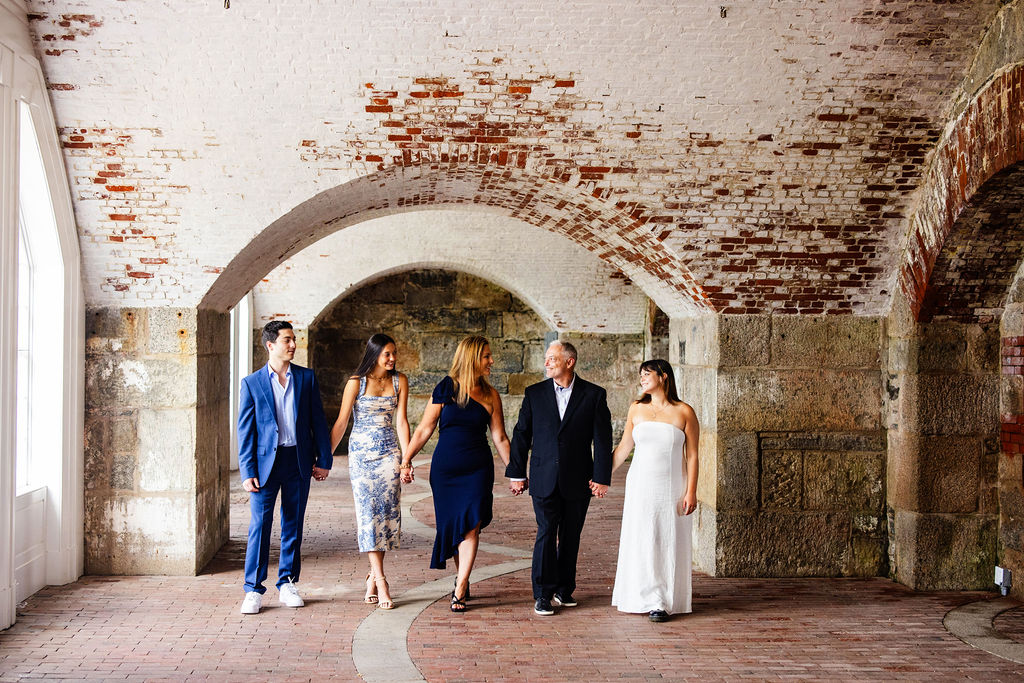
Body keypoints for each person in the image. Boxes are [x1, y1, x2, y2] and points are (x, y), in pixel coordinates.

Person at [401, 336, 511, 613]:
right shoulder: (446, 388)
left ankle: (460, 586)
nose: (491, 361)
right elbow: (425, 429)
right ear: (472, 357)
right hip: (446, 470)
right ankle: (463, 575)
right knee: (453, 528)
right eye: (486, 356)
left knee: (471, 524)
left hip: (477, 469)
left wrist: (515, 471)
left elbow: (499, 437)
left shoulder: (490, 395)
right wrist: (407, 459)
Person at [506, 340, 613, 616]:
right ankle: (542, 594)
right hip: (543, 476)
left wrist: (602, 477)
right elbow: (521, 435)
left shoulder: (594, 395)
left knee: (571, 536)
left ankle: (564, 590)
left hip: (579, 478)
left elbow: (602, 440)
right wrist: (517, 473)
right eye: (546, 358)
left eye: (552, 358)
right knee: (546, 532)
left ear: (569, 361)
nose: (546, 363)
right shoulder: (534, 394)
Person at [237, 320, 333, 615]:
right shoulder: (252, 383)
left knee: (293, 524)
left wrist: (324, 460)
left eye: (293, 340)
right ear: (271, 345)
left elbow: (318, 420)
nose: (293, 345)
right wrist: (246, 470)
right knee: (260, 526)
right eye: (287, 340)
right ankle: (253, 589)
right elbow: (246, 430)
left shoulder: (306, 378)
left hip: (298, 460)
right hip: (266, 464)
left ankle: (288, 582)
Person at [608, 359, 699, 623]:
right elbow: (624, 448)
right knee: (642, 538)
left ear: (664, 376)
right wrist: (600, 477)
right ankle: (640, 596)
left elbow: (692, 455)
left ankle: (662, 600)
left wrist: (691, 491)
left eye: (647, 374)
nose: (642, 379)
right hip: (640, 485)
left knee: (666, 538)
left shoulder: (684, 412)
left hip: (672, 485)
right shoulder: (636, 409)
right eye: (641, 375)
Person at [330, 333, 410, 610]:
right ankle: (382, 580)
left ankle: (372, 577)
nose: (392, 358)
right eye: (387, 354)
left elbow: (401, 422)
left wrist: (407, 459)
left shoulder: (400, 381)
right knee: (368, 515)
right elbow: (341, 423)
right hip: (362, 456)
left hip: (390, 454)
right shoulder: (356, 382)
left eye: (394, 353)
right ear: (374, 354)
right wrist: (325, 459)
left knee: (385, 516)